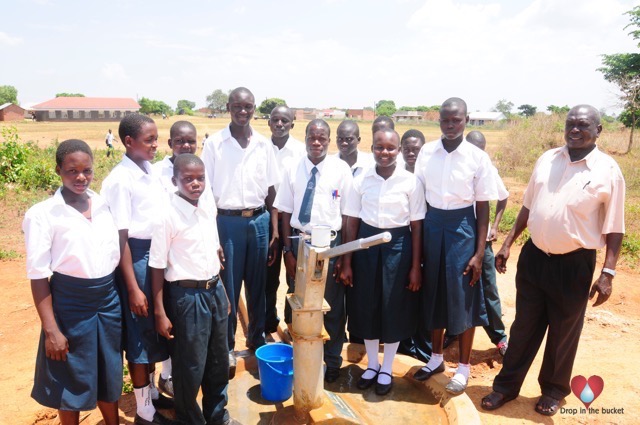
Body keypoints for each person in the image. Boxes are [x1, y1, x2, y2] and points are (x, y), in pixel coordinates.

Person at [481, 105, 625, 416]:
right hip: (534, 258)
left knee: (563, 332)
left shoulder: (608, 171)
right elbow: (528, 206)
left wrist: (608, 273)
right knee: (523, 327)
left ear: (598, 130)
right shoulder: (547, 159)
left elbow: (615, 227)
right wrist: (507, 243)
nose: (574, 130)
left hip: (574, 264)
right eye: (570, 124)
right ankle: (505, 387)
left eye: (583, 125)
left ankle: (554, 390)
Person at [23, 139, 122, 425]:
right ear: (58, 170)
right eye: (72, 171)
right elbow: (39, 275)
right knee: (71, 376)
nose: (81, 177)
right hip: (71, 303)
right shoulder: (43, 214)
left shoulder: (103, 204)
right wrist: (51, 329)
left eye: (87, 170)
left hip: (107, 299)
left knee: (108, 370)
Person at [412, 97, 497, 395]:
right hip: (433, 224)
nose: (450, 125)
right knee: (434, 292)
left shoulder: (476, 157)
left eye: (456, 120)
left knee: (464, 298)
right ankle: (435, 358)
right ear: (439, 120)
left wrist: (478, 252)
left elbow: (483, 206)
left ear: (466, 120)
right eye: (445, 120)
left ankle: (463, 366)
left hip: (463, 227)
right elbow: (418, 197)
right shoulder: (427, 152)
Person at [149, 154, 239, 425]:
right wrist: (159, 312)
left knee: (217, 361)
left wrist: (221, 291)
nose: (195, 184)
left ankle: (217, 415)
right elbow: (156, 266)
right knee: (190, 366)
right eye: (188, 179)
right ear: (175, 180)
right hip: (187, 298)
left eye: (200, 178)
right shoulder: (167, 216)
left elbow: (213, 255)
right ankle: (190, 418)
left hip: (213, 291)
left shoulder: (206, 208)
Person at [101, 114, 175, 425]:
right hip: (136, 259)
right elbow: (121, 236)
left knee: (154, 331)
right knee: (140, 337)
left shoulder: (149, 170)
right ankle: (144, 411)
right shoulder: (120, 180)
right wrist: (132, 287)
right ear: (129, 142)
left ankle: (152, 396)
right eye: (149, 140)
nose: (156, 145)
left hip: (156, 255)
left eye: (157, 139)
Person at [201, 87, 280, 378]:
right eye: (237, 106)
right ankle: (228, 349)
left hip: (258, 221)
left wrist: (273, 232)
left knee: (258, 287)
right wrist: (212, 235)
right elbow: (206, 192)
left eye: (248, 106)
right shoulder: (215, 145)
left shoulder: (263, 145)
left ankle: (257, 340)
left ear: (254, 107)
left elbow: (272, 191)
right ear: (228, 107)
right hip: (227, 223)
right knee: (229, 290)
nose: (242, 111)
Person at [340, 129, 425, 396]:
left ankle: (387, 367)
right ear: (372, 148)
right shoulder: (361, 179)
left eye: (390, 148)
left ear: (399, 150)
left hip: (398, 247)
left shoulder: (410, 182)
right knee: (367, 305)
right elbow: (351, 221)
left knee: (392, 306)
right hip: (366, 245)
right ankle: (372, 364)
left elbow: (417, 225)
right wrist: (347, 261)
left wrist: (415, 266)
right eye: (379, 147)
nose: (384, 153)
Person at [274, 119, 354, 383]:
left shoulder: (340, 169)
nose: (316, 143)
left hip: (330, 244)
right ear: (305, 138)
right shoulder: (291, 167)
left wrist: (344, 258)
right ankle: (301, 358)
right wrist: (288, 249)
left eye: (322, 138)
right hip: (299, 242)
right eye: (312, 137)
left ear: (329, 141)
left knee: (330, 306)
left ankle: (332, 360)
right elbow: (284, 210)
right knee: (300, 305)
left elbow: (350, 215)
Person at [466, 130, 509, 356]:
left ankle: (500, 338)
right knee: (459, 288)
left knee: (489, 289)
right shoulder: (456, 167)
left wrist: (495, 226)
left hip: (484, 242)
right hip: (461, 239)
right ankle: (454, 333)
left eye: (480, 150)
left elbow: (503, 196)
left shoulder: (488, 169)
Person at [265, 105, 306, 333]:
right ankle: (267, 321)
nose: (279, 124)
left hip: (292, 218)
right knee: (268, 273)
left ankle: (293, 324)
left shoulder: (301, 151)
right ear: (269, 122)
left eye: (285, 120)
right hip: (267, 216)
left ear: (292, 124)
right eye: (275, 120)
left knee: (295, 274)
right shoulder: (260, 148)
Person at [396, 129, 432, 363]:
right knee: (403, 295)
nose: (411, 153)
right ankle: (403, 343)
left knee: (425, 297)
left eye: (416, 149)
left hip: (427, 241)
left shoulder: (429, 174)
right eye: (407, 148)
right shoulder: (396, 173)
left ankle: (424, 348)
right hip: (403, 243)